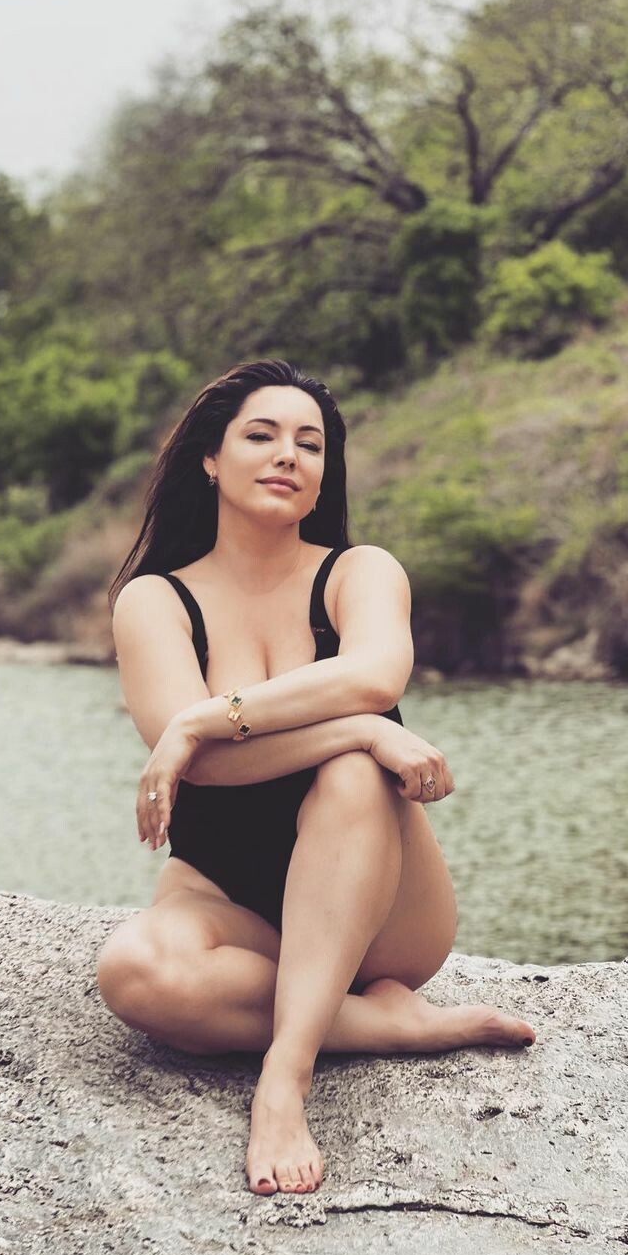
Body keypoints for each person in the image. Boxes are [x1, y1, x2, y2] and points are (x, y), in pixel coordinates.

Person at [97, 358, 536, 1198]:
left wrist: (204, 718)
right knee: (135, 972)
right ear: (210, 460)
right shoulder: (155, 601)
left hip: (385, 920)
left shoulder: (360, 571)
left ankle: (285, 1079)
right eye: (261, 436)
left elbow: (374, 675)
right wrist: (362, 730)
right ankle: (383, 1023)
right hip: (227, 901)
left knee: (352, 775)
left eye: (310, 443)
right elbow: (211, 770)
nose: (287, 456)